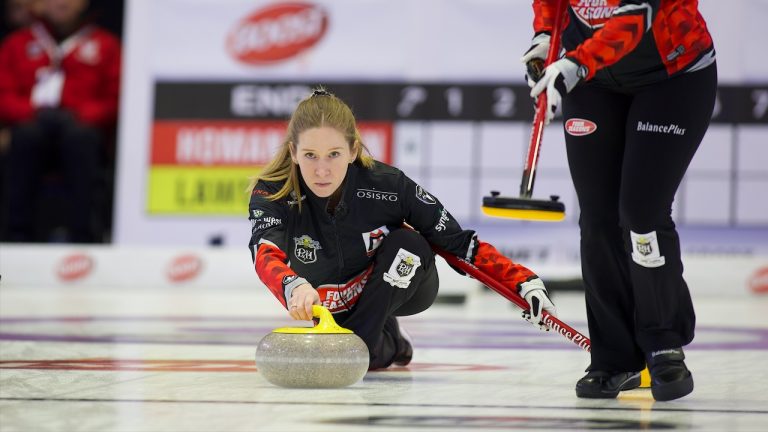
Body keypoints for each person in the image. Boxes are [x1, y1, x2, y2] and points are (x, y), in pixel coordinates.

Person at [248, 89, 557, 370]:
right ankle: (388, 340)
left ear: (353, 150)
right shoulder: (272, 193)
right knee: (365, 353)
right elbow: (265, 253)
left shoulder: (389, 186)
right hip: (326, 303)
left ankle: (365, 341)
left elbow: (458, 243)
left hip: (402, 288)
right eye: (310, 156)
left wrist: (522, 282)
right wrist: (293, 286)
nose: (322, 170)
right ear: (293, 153)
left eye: (334, 154)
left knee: (408, 244)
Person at [522, 0, 717, 401]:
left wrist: (575, 65)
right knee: (597, 219)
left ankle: (664, 343)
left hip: (671, 76)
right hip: (593, 82)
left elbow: (634, 20)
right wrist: (544, 36)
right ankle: (614, 358)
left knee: (641, 214)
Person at [0, 0, 121, 242]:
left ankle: (86, 237)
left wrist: (81, 116)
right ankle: (16, 237)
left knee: (81, 140)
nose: (61, 2)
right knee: (25, 139)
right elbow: (3, 93)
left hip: (81, 130)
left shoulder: (106, 45)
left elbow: (117, 97)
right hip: (32, 125)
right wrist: (31, 112)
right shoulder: (17, 43)